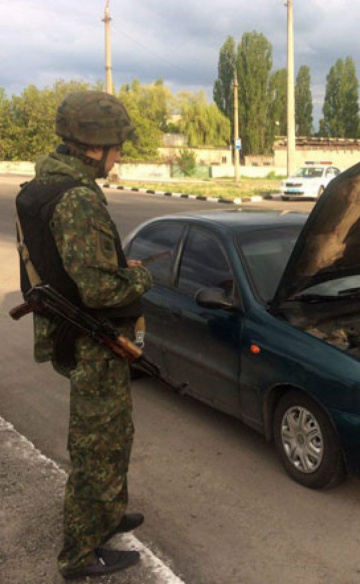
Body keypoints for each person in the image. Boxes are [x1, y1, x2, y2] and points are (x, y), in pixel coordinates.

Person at [15, 91, 153, 580]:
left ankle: (107, 518)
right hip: (92, 341)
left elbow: (71, 267)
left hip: (80, 333)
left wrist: (113, 267)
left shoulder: (46, 184)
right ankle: (78, 554)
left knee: (115, 438)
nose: (120, 155)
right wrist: (138, 278)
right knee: (96, 450)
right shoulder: (75, 199)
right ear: (93, 147)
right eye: (117, 145)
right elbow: (98, 289)